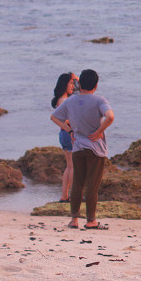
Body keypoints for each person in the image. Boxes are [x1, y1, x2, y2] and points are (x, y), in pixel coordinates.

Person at [50, 69, 114, 230]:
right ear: (96, 84)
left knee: (77, 183)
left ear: (80, 84)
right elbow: (110, 116)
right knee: (92, 184)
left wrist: (69, 130)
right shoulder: (99, 100)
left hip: (77, 146)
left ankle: (74, 220)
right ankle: (91, 220)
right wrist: (99, 131)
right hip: (95, 148)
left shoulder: (71, 101)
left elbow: (54, 117)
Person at [49, 72, 78, 202]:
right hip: (68, 134)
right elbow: (63, 118)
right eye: (71, 83)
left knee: (70, 166)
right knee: (73, 166)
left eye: (73, 83)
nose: (73, 86)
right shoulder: (64, 101)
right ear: (64, 84)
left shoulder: (63, 99)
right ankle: (72, 196)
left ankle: (65, 196)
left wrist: (75, 78)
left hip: (64, 134)